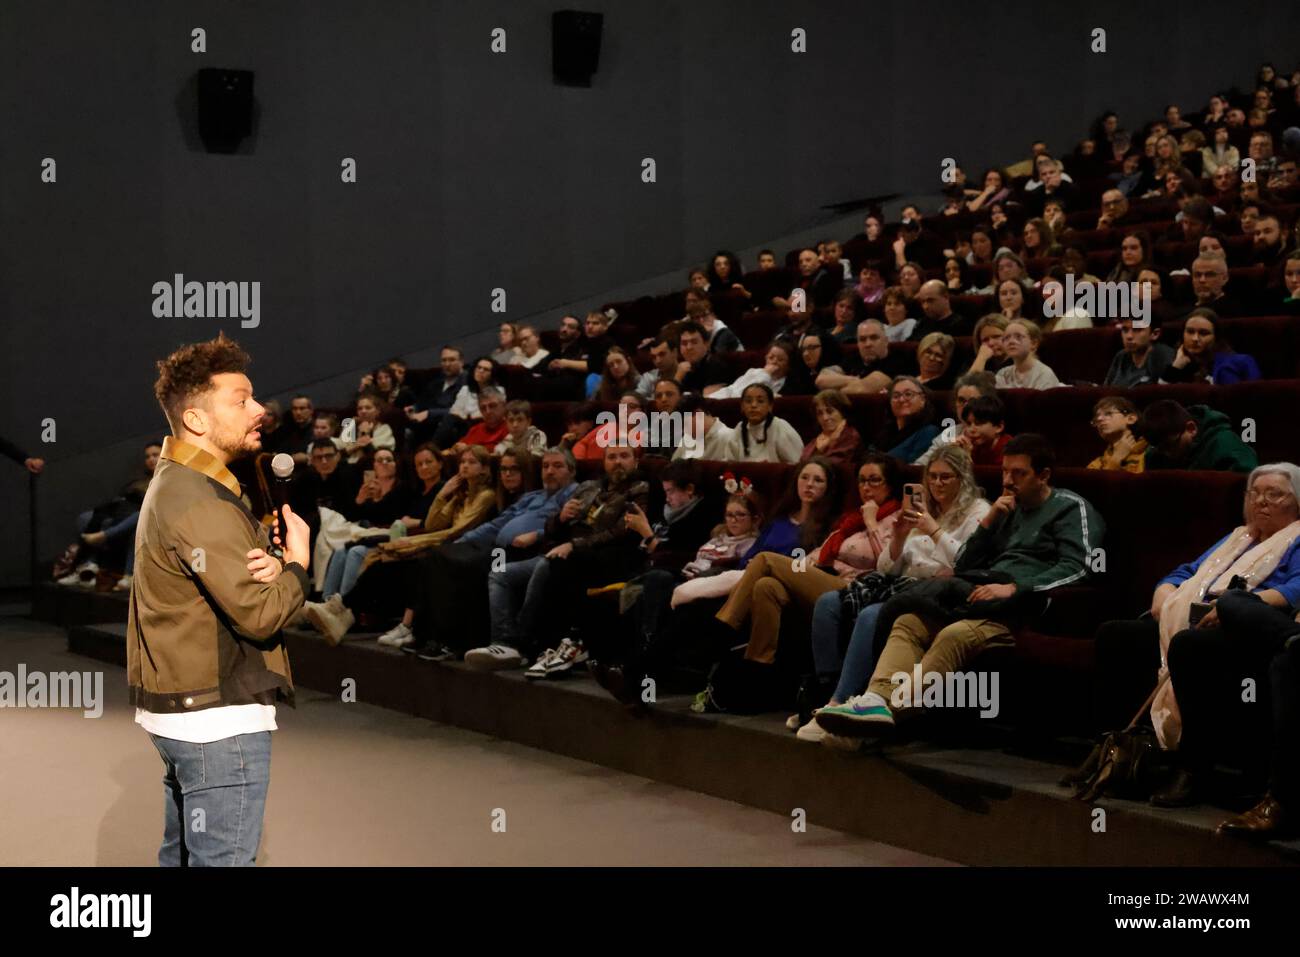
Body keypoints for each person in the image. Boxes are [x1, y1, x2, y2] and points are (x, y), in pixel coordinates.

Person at [129, 334, 311, 867]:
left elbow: (233, 582)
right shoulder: (197, 499)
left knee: (184, 857)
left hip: (190, 714)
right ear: (196, 421)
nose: (259, 410)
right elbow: (260, 615)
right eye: (241, 400)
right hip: (217, 721)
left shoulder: (183, 484)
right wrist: (298, 563)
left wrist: (270, 565)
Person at [817, 434, 1104, 737]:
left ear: (1044, 475)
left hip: (1021, 606)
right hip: (978, 594)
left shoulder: (1071, 508)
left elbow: (1080, 568)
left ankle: (889, 712)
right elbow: (966, 564)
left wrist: (1017, 587)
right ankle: (876, 698)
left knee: (954, 634)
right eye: (1005, 471)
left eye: (1018, 473)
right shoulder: (1006, 510)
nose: (1007, 481)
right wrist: (989, 521)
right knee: (909, 622)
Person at [1090, 465, 1300, 811]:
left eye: (1274, 494)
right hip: (1197, 618)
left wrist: (1237, 606)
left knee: (1190, 648)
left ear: (1295, 502)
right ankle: (1114, 755)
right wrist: (1164, 590)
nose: (1261, 501)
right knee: (1117, 635)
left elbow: (1295, 588)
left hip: (1254, 630)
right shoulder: (1238, 537)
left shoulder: (1296, 539)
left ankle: (1192, 768)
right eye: (1255, 493)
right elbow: (1188, 570)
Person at [806, 446, 990, 742]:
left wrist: (933, 530)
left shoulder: (977, 511)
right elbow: (887, 568)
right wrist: (901, 536)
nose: (938, 484)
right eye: (932, 477)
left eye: (946, 477)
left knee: (870, 615)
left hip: (938, 594)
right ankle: (825, 688)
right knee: (829, 602)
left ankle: (839, 701)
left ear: (962, 479)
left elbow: (970, 562)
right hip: (900, 584)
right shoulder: (922, 509)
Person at [715, 456, 903, 721]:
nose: (866, 487)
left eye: (874, 480)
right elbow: (820, 552)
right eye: (862, 480)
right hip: (822, 576)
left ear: (890, 484)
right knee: (766, 587)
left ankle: (724, 627)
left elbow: (890, 564)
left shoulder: (897, 518)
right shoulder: (852, 519)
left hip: (856, 589)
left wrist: (872, 523)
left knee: (765, 560)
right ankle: (758, 676)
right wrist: (798, 571)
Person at [382, 448, 578, 656]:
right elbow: (496, 524)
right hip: (497, 547)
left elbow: (569, 527)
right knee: (437, 556)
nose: (549, 471)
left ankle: (452, 643)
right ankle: (428, 636)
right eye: (546, 466)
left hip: (525, 552)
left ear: (572, 470)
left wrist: (536, 535)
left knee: (462, 566)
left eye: (557, 466)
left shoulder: (573, 494)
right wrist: (462, 540)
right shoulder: (533, 496)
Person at [486, 444, 650, 675]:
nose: (618, 461)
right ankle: (502, 642)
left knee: (548, 565)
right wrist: (561, 518)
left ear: (635, 460)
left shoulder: (638, 489)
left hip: (601, 556)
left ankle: (522, 644)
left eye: (624, 456)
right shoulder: (588, 487)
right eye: (611, 457)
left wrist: (574, 545)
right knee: (499, 573)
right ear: (603, 462)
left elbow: (623, 531)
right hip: (561, 550)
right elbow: (552, 528)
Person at [54, 440, 161, 590]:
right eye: (148, 456)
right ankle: (88, 566)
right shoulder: (140, 480)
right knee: (86, 517)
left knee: (140, 517)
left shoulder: (169, 478)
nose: (151, 459)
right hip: (128, 513)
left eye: (155, 455)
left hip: (154, 519)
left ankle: (105, 540)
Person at [1142, 399, 1258, 473]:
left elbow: (1246, 482)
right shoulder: (1155, 455)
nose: (1167, 454)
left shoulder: (1225, 444)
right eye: (1160, 449)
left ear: (1191, 429)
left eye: (1170, 446)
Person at [913, 371, 997, 466]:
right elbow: (919, 466)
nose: (966, 407)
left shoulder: (992, 433)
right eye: (961, 400)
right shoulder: (950, 433)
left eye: (973, 401)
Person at [1159, 309, 1261, 385]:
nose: (1195, 338)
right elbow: (1160, 402)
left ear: (1216, 338)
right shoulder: (1176, 364)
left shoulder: (1239, 362)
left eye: (1203, 333)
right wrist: (1176, 367)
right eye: (1190, 332)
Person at [815, 319, 904, 395]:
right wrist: (855, 379)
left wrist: (837, 385)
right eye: (862, 339)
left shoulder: (895, 361)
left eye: (874, 338)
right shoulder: (853, 358)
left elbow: (862, 389)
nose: (868, 344)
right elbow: (821, 380)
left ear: (886, 341)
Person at [724, 382, 803, 464]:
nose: (753, 405)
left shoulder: (780, 427)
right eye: (748, 401)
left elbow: (795, 464)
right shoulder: (739, 428)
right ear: (742, 406)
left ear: (770, 406)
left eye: (760, 401)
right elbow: (730, 463)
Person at [435, 356, 505, 447]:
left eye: (486, 369)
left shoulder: (498, 391)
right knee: (449, 419)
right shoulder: (466, 389)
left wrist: (468, 415)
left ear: (492, 374)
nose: (481, 371)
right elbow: (455, 411)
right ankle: (434, 448)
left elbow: (494, 412)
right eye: (479, 368)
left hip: (482, 423)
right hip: (463, 423)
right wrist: (465, 416)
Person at [405, 346, 468, 442]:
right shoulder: (437, 382)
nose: (447, 364)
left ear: (461, 362)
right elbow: (424, 402)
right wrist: (414, 408)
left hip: (449, 426)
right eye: (444, 360)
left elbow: (460, 410)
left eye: (452, 360)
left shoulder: (467, 381)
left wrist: (429, 414)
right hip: (428, 424)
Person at [1103, 317, 1175, 387]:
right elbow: (1106, 389)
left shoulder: (1164, 357)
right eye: (1125, 330)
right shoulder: (1121, 356)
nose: (1129, 336)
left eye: (1137, 329)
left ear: (1155, 334)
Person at [801, 390, 862, 466]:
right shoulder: (818, 439)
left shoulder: (850, 436)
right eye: (820, 413)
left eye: (830, 411)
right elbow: (802, 461)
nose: (825, 418)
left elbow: (831, 465)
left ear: (842, 412)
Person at [995, 320, 1062, 390]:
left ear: (1033, 343)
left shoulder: (1044, 374)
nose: (1011, 341)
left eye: (1018, 337)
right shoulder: (1003, 374)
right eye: (1007, 337)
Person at [1087, 397, 1147, 472]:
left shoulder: (1149, 454)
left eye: (1108, 413)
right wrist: (1116, 459)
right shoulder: (1098, 464)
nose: (1099, 419)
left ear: (1130, 419)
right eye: (1097, 417)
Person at [675, 321, 732, 394]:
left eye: (694, 342)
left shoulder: (716, 365)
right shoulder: (682, 369)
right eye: (684, 343)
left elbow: (708, 401)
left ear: (706, 344)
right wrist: (677, 378)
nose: (689, 347)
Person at [342, 393, 396, 466]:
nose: (363, 411)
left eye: (368, 408)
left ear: (377, 411)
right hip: (349, 466)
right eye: (360, 408)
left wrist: (365, 433)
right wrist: (357, 445)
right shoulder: (350, 427)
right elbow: (340, 453)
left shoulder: (383, 428)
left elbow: (376, 456)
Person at [958, 395, 1011, 466]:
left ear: (999, 427)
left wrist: (967, 458)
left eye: (978, 423)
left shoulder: (1010, 450)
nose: (971, 430)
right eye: (969, 424)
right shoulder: (972, 446)